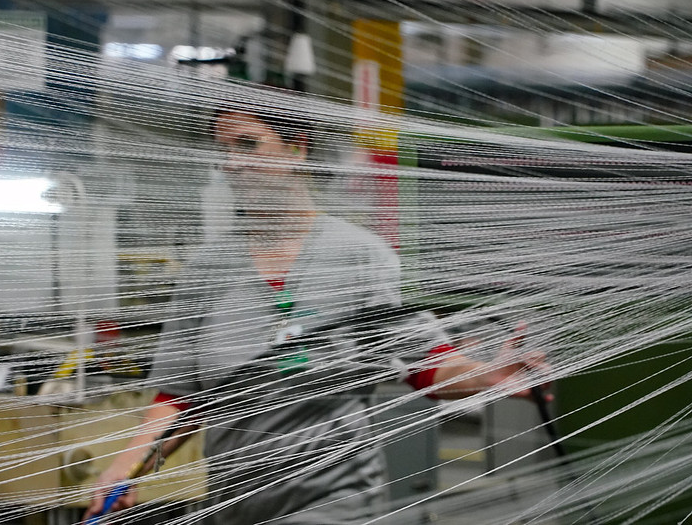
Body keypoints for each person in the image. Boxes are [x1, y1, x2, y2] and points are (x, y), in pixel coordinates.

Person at [84, 103, 548, 525]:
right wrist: (126, 468)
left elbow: (426, 365)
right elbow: (182, 398)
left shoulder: (359, 257)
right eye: (224, 150)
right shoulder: (208, 270)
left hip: (335, 500)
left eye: (248, 145)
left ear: (296, 149)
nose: (232, 163)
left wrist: (487, 376)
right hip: (234, 505)